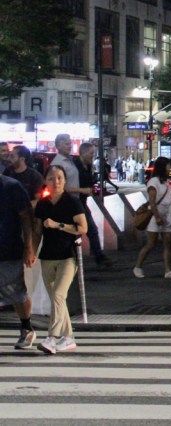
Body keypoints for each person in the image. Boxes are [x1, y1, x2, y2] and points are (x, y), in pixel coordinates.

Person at [33, 165, 86, 354]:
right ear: (46, 180)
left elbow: (82, 228)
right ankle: (69, 337)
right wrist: (31, 250)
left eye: (60, 178)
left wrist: (58, 225)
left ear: (65, 181)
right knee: (58, 300)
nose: (56, 182)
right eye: (52, 178)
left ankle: (52, 337)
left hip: (68, 256)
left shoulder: (71, 202)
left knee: (58, 295)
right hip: (47, 256)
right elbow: (37, 231)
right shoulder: (43, 204)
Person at [0, 174, 37, 349]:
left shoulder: (12, 186)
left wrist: (29, 246)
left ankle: (26, 327)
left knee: (16, 290)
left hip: (8, 247)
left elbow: (26, 217)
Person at [133, 156, 171, 279]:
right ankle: (138, 267)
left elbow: (168, 199)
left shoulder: (165, 182)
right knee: (151, 244)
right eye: (168, 165)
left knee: (168, 243)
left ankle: (168, 270)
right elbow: (152, 202)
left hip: (166, 215)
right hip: (155, 217)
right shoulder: (153, 182)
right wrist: (157, 217)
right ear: (162, 167)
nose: (170, 168)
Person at [69, 142, 111, 269]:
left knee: (91, 230)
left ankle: (99, 256)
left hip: (82, 203)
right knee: (79, 231)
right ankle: (74, 259)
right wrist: (83, 190)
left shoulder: (88, 166)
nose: (93, 156)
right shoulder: (74, 166)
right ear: (83, 152)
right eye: (91, 153)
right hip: (73, 203)